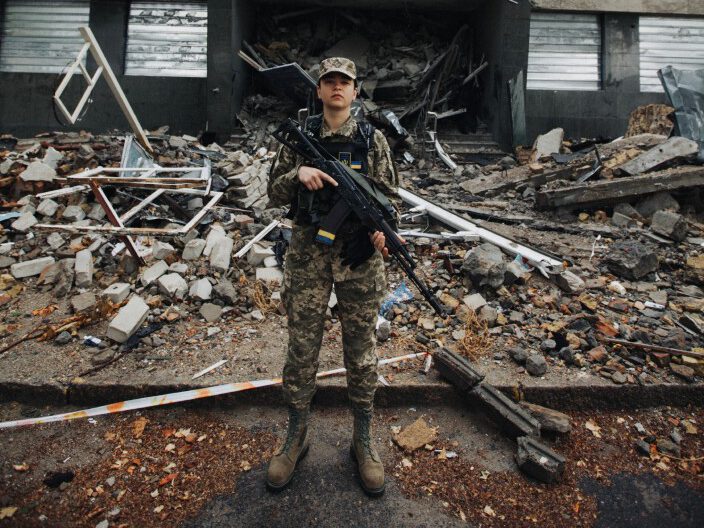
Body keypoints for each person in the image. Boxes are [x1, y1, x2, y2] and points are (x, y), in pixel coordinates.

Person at [265, 57, 399, 496]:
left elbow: (389, 198)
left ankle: (362, 439)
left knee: (361, 352)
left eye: (345, 82)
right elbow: (273, 191)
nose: (337, 88)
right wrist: (297, 173)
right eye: (330, 82)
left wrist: (382, 233)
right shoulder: (300, 138)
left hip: (359, 259)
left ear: (355, 92)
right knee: (302, 347)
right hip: (308, 254)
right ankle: (296, 435)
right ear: (320, 90)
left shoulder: (372, 139)